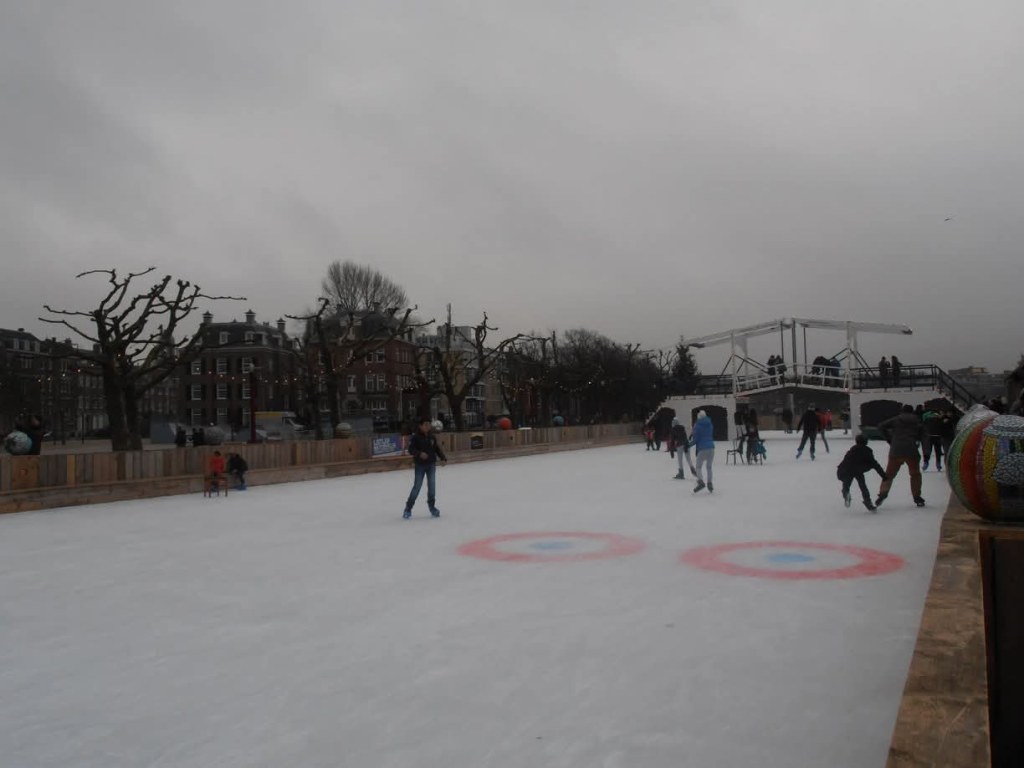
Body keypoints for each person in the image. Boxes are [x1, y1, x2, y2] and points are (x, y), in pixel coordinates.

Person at [876, 404, 926, 508]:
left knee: (889, 475)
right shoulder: (917, 420)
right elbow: (923, 434)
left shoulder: (896, 419)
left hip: (896, 450)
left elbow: (881, 426)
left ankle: (882, 494)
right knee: (915, 474)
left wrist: (889, 439)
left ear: (902, 411)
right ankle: (917, 497)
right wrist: (919, 442)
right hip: (911, 449)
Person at [404, 417, 447, 518]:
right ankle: (408, 508)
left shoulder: (432, 437)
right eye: (425, 425)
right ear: (420, 426)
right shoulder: (415, 437)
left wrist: (443, 458)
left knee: (432, 487)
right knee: (417, 487)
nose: (428, 427)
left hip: (431, 465)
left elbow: (436, 449)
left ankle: (432, 507)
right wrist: (419, 454)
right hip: (420, 466)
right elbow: (411, 449)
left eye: (429, 425)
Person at [837, 434, 886, 512]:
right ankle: (868, 502)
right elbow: (875, 464)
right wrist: (883, 475)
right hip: (858, 470)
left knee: (846, 484)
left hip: (847, 469)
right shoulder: (867, 451)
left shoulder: (852, 450)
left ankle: (846, 494)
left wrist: (841, 471)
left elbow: (844, 462)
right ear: (866, 442)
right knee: (863, 486)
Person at [689, 410, 715, 493]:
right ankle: (710, 483)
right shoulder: (710, 424)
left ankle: (700, 482)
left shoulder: (697, 425)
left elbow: (696, 439)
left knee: (698, 467)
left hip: (702, 448)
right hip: (711, 447)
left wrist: (688, 445)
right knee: (709, 467)